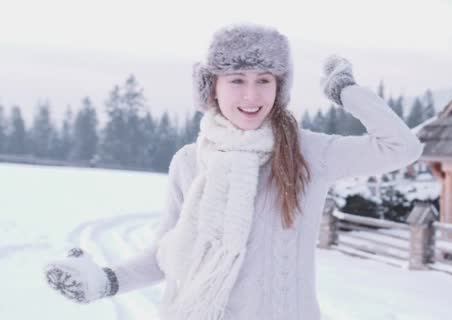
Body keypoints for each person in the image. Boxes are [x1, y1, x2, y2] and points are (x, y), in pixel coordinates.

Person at [43, 23, 423, 320]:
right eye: (237, 80)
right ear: (212, 88)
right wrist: (106, 281)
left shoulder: (307, 153)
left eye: (264, 81)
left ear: (279, 88)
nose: (251, 96)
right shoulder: (190, 162)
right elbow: (167, 255)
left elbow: (401, 147)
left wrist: (345, 90)